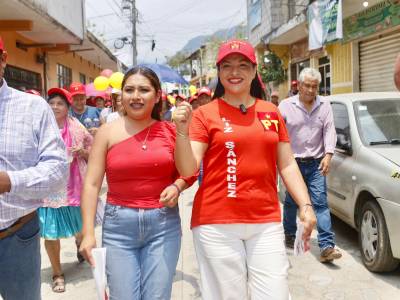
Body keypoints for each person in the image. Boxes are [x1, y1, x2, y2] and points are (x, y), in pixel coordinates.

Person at [173, 39, 317, 300]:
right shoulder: (205, 114)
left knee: (275, 294)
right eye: (226, 66)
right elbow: (188, 168)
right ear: (218, 72)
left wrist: (306, 206)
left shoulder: (271, 113)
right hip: (215, 223)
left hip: (265, 221)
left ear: (254, 70)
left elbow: (286, 163)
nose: (234, 72)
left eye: (242, 65)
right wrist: (181, 134)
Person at [79, 66, 195, 300]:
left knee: (157, 296)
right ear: (121, 95)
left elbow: (189, 171)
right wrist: (88, 232)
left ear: (157, 95)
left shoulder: (170, 131)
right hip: (118, 227)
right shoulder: (106, 132)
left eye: (144, 90)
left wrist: (182, 131)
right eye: (129, 90)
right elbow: (91, 184)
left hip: (163, 226)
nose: (136, 96)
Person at [0, 36, 68, 300]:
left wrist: (9, 181)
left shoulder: (32, 107)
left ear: (3, 59)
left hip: (17, 234)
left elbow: (58, 173)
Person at [278, 67, 341, 263]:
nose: (311, 90)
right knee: (290, 201)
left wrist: (328, 155)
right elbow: (277, 132)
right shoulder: (286, 106)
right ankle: (289, 233)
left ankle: (326, 246)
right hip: (292, 163)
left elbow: (330, 131)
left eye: (315, 86)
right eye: (307, 86)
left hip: (316, 163)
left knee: (320, 203)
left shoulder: (325, 105)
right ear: (299, 85)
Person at [38, 87, 93, 293]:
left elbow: (93, 151)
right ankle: (57, 273)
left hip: (75, 188)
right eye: (51, 102)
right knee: (51, 234)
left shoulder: (77, 127)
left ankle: (81, 246)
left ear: (67, 107)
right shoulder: (40, 126)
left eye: (60, 103)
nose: (54, 106)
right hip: (49, 190)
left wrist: (82, 152)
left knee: (80, 229)